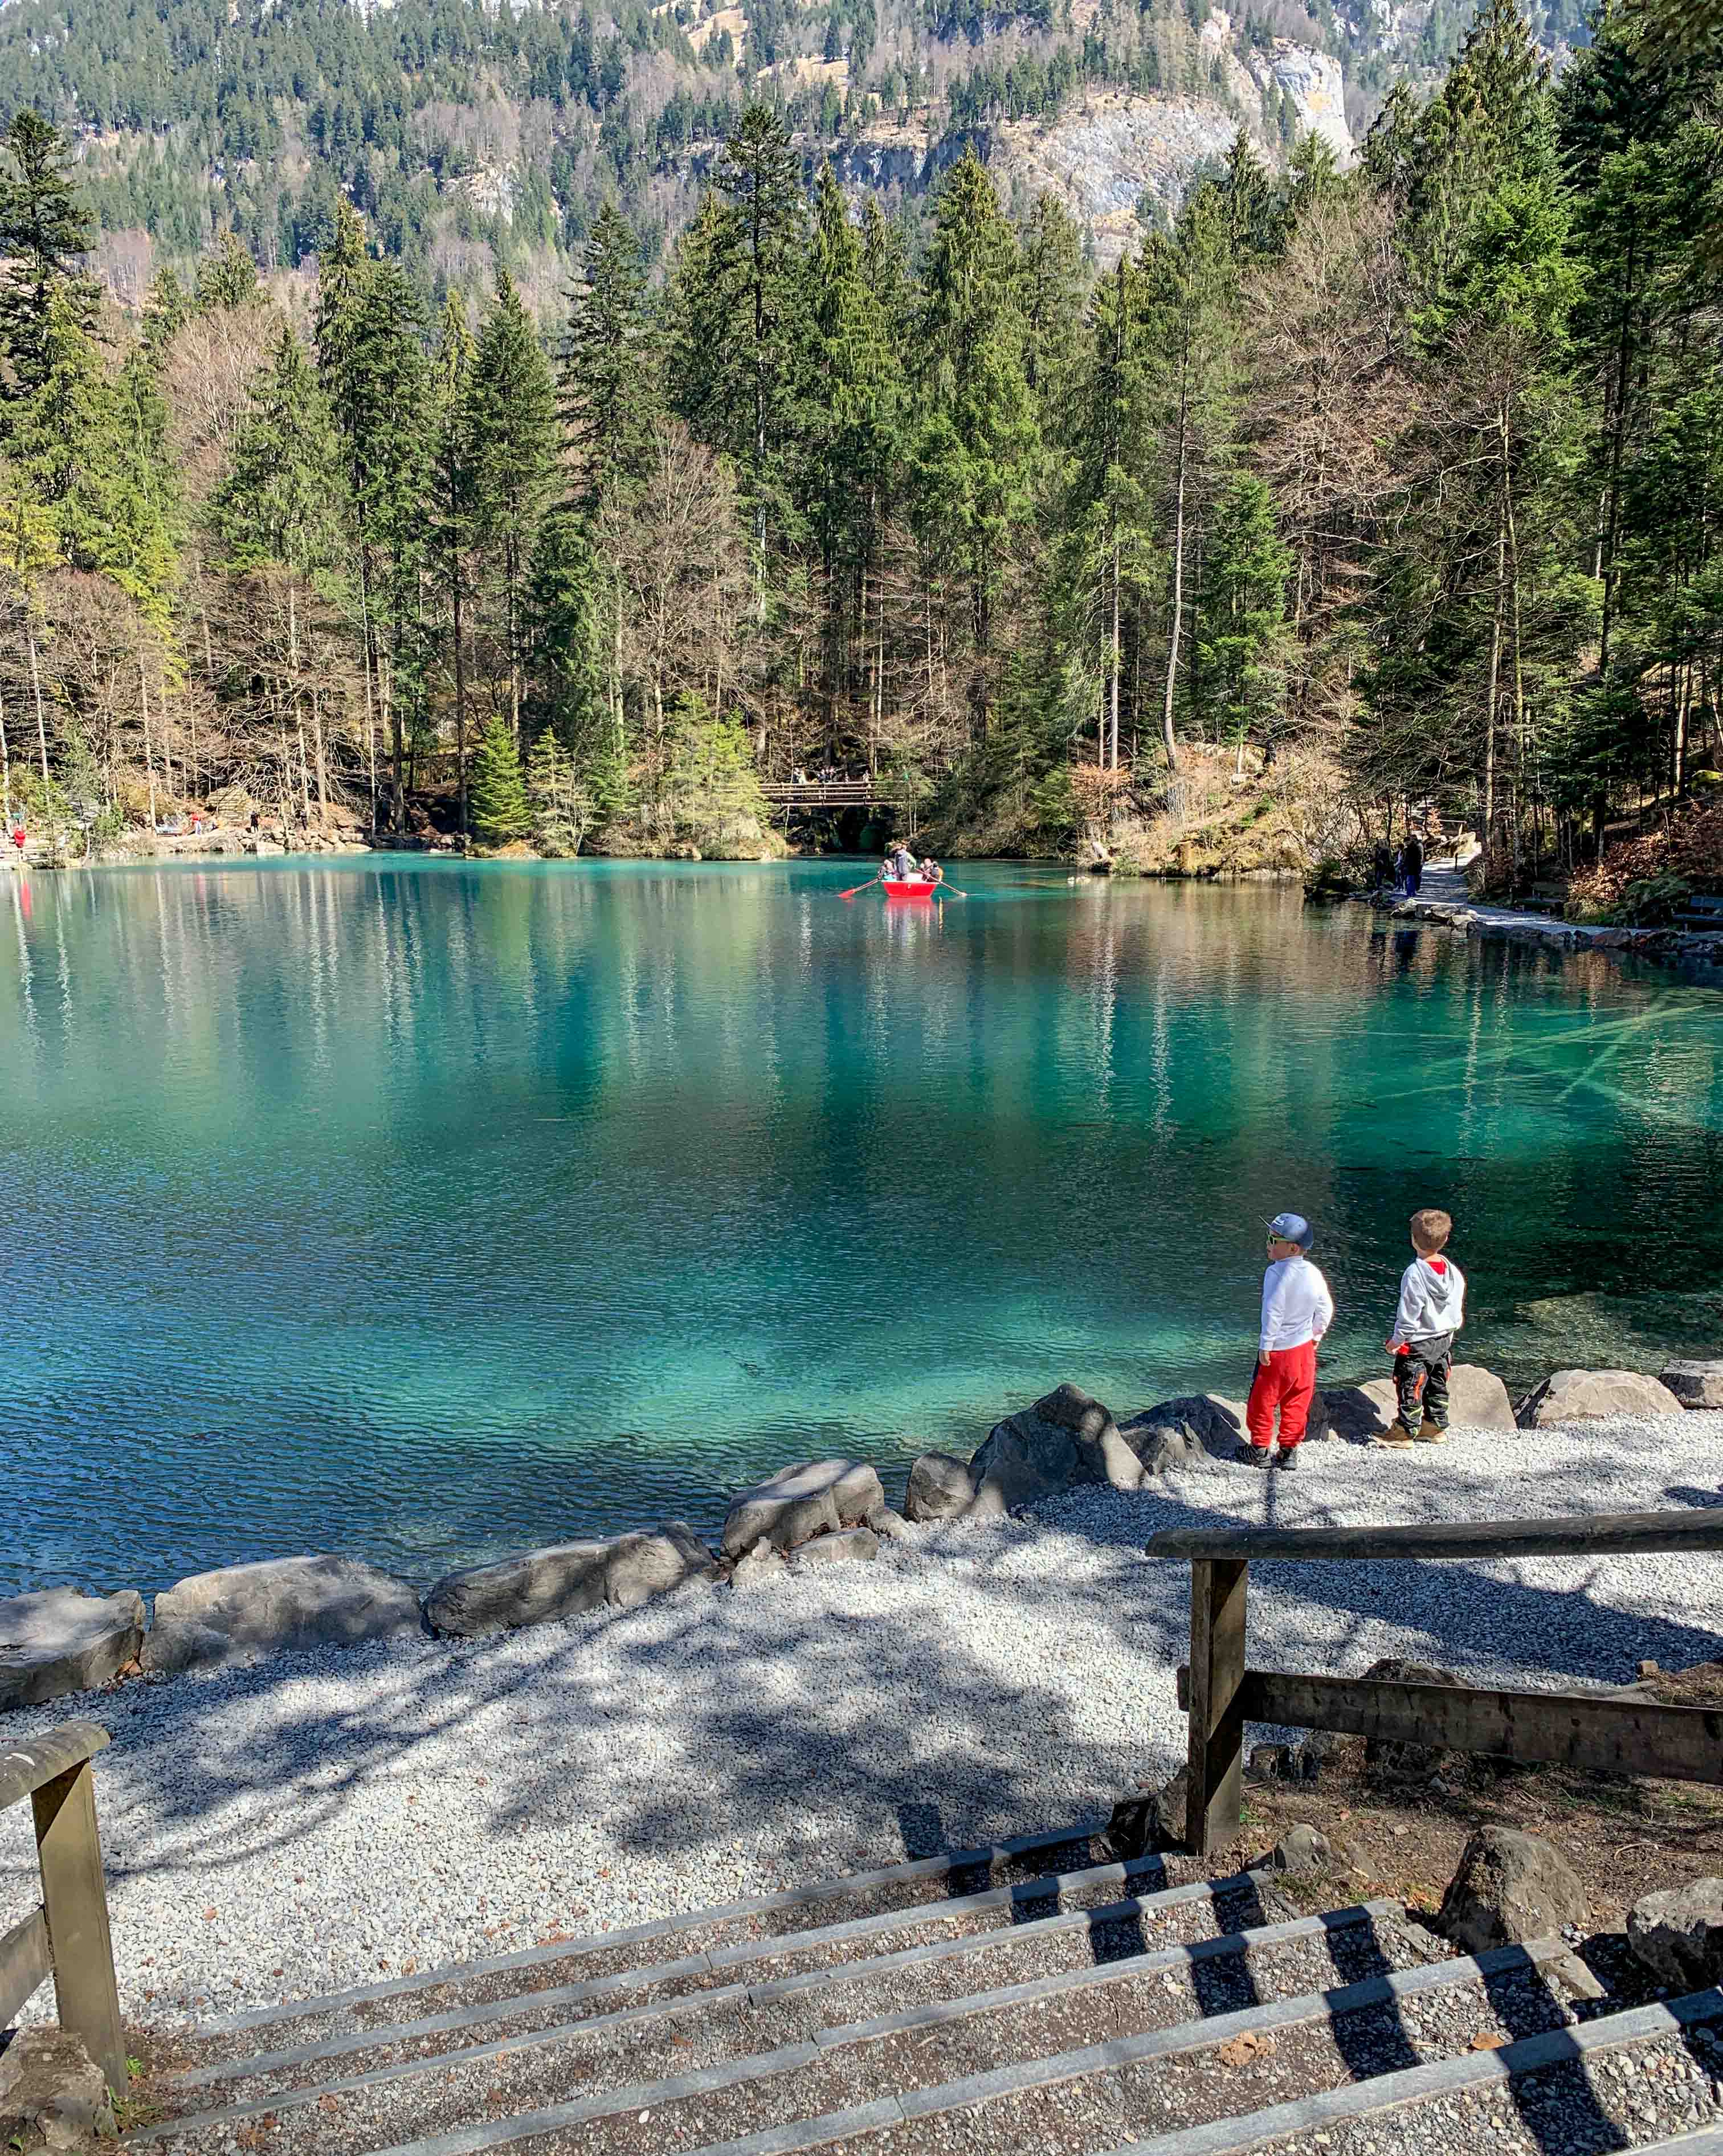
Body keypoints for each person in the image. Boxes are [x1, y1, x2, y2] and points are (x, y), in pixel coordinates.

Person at [1240, 1212, 1334, 1472]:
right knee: (1297, 1400)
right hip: (1304, 1350)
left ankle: (1259, 1449)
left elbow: (1273, 1311)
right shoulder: (1313, 1272)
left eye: (1273, 1239)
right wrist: (1317, 1335)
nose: (1267, 1243)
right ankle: (1289, 1451)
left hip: (1279, 1350)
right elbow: (1325, 1307)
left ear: (1292, 1247)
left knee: (1263, 1399)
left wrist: (1266, 1344)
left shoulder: (1276, 1273)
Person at [1377, 1207, 1466, 1449]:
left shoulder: (1414, 1274)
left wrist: (1397, 1340)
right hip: (1444, 1338)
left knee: (1410, 1384)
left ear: (1413, 1239)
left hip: (1417, 1342)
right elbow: (1456, 1304)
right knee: (1437, 1383)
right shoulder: (1452, 1271)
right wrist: (1452, 1327)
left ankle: (1405, 1432)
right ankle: (1435, 1426)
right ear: (1445, 1239)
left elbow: (1409, 1314)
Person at [1401, 829, 1424, 896]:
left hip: (1413, 866)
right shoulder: (1414, 846)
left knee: (1411, 880)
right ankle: (1411, 892)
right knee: (1411, 880)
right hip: (1411, 866)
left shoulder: (1416, 846)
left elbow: (1417, 857)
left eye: (1411, 840)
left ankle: (1410, 893)